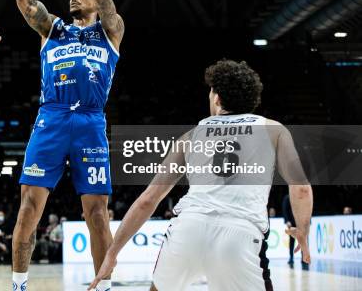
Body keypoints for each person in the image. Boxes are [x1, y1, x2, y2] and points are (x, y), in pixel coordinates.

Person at [89, 60, 314, 291]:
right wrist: (303, 231)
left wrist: (112, 253)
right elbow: (301, 188)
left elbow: (149, 199)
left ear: (217, 98)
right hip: (241, 234)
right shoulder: (274, 130)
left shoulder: (191, 136)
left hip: (188, 228)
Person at [12, 0, 124, 291]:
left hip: (90, 122)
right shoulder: (53, 29)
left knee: (97, 213)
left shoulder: (110, 30)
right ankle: (19, 284)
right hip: (52, 118)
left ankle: (103, 286)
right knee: (29, 206)